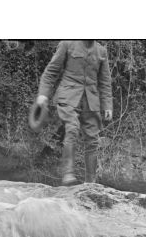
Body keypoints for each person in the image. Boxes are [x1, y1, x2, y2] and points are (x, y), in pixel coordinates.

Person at [36, 40, 113, 185]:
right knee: (72, 128)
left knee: (93, 140)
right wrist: (43, 94)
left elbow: (105, 81)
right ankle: (68, 174)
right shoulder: (67, 44)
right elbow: (51, 71)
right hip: (68, 96)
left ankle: (90, 183)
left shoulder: (101, 51)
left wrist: (107, 105)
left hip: (90, 100)